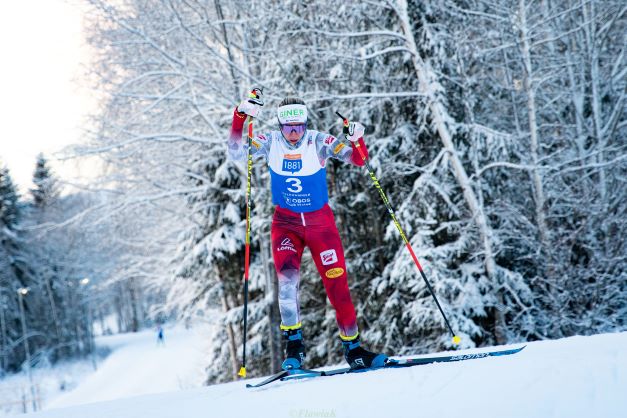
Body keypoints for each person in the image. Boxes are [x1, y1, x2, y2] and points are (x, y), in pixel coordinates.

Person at [228, 95, 388, 370]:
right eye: (288, 127)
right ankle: (295, 347)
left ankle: (353, 350)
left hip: (320, 226)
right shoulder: (269, 142)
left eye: (299, 126)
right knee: (287, 285)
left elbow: (359, 160)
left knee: (338, 285)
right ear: (279, 125)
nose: (294, 133)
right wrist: (239, 117)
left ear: (305, 123)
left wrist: (356, 139)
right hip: (286, 226)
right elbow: (236, 153)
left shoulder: (319, 141)